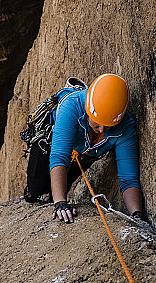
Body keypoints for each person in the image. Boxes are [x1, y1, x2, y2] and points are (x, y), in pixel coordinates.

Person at [24, 73, 144, 224]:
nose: (101, 130)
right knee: (35, 191)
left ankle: (52, 194)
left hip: (85, 152)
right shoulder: (71, 106)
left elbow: (129, 179)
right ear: (88, 110)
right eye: (98, 123)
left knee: (59, 187)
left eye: (108, 126)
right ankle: (36, 192)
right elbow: (59, 156)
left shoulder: (125, 128)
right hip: (49, 143)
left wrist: (136, 215)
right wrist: (60, 204)